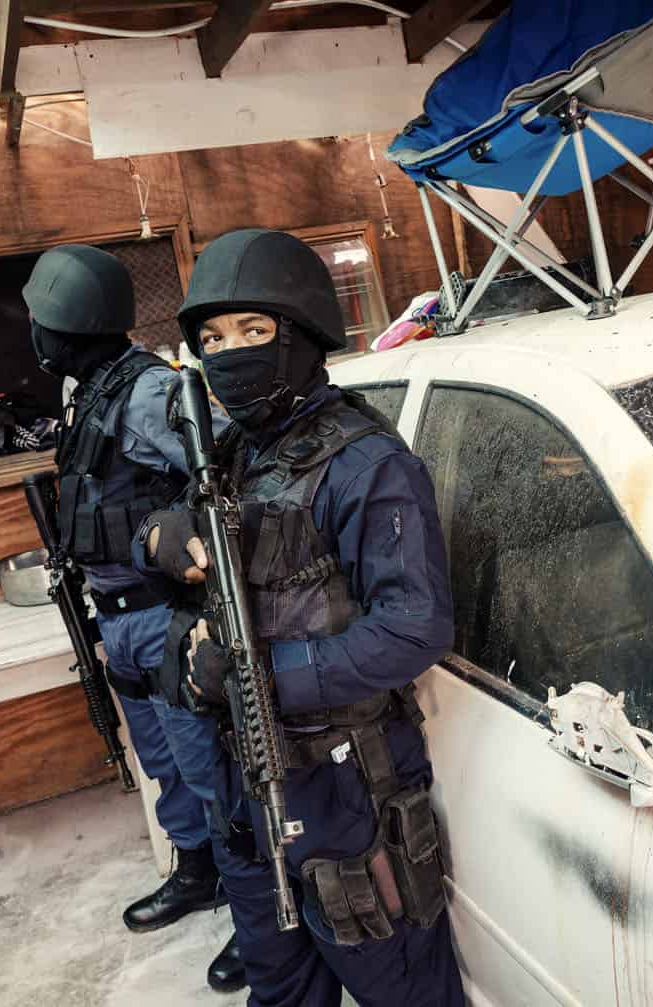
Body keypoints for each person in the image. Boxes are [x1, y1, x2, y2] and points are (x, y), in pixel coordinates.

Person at [139, 229, 464, 1006]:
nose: (230, 353)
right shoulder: (241, 452)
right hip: (247, 776)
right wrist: (161, 535)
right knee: (280, 983)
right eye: (212, 339)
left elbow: (415, 627)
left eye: (253, 331)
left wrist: (258, 678)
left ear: (303, 334)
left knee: (404, 989)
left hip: (346, 785)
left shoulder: (365, 464)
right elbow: (177, 535)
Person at [21, 244, 244, 993]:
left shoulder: (149, 391)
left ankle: (255, 909)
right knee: (164, 765)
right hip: (116, 616)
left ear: (70, 321)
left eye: (40, 319)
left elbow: (227, 473)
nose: (35, 333)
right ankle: (199, 871)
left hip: (164, 614)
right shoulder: (89, 393)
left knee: (212, 770)